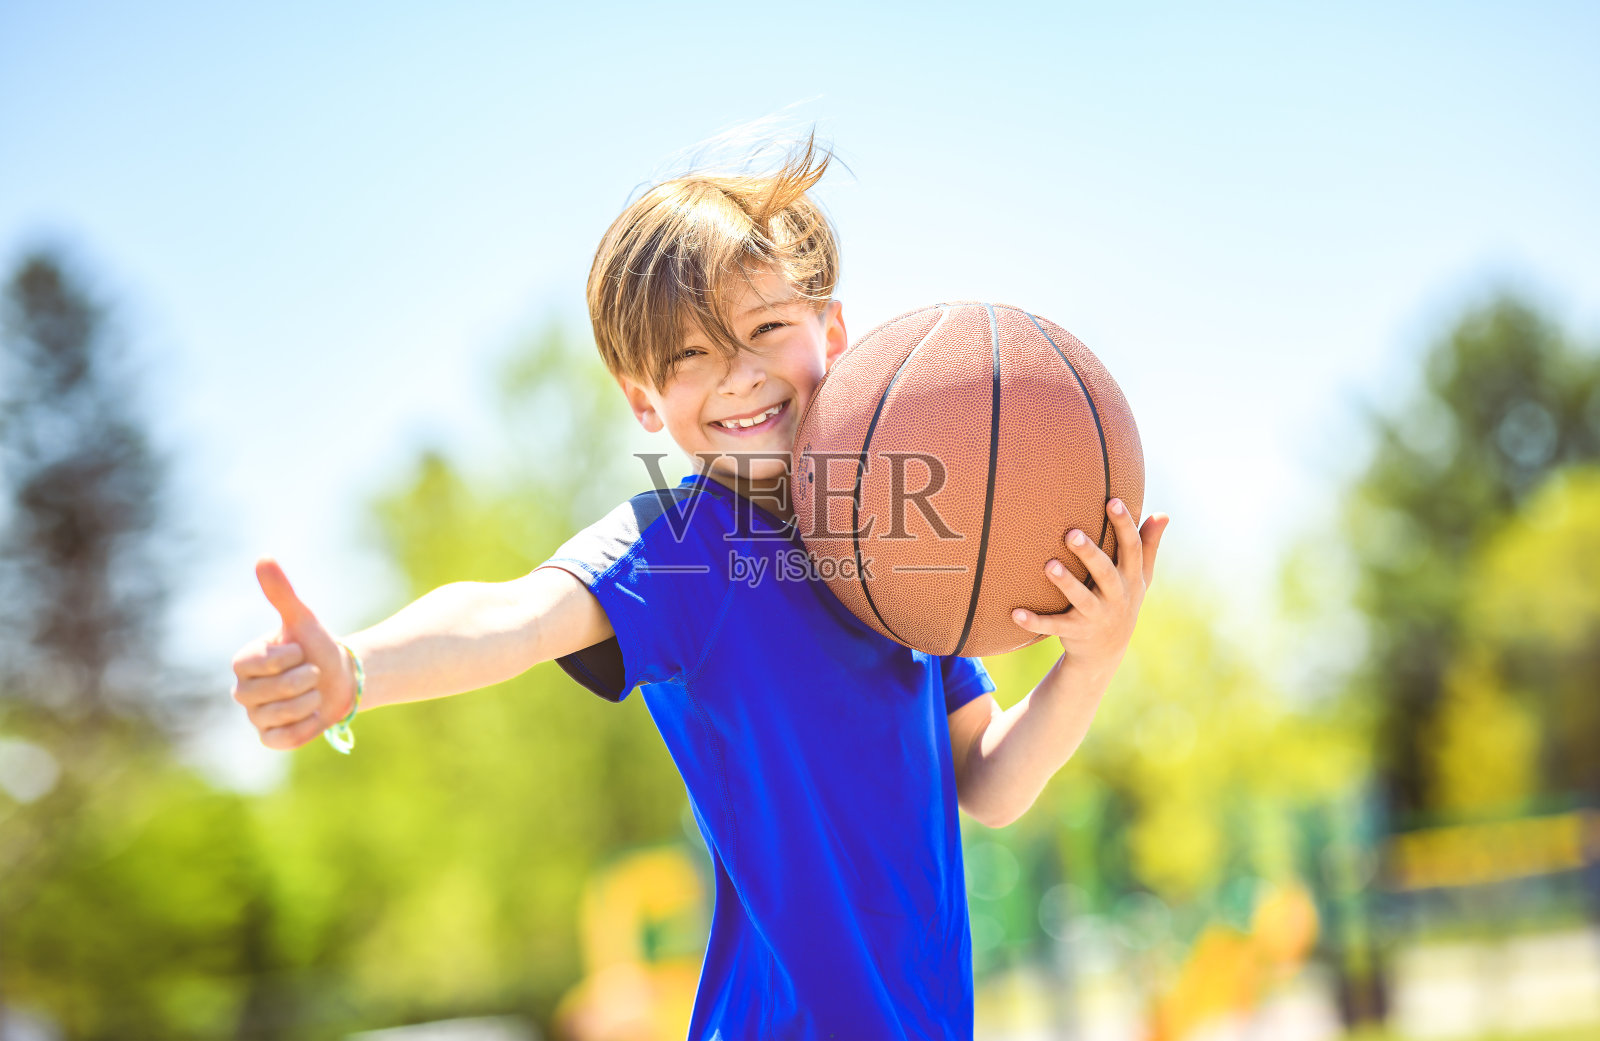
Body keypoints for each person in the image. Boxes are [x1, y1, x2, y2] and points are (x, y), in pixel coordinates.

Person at [229, 136, 1170, 1039]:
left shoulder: (895, 547)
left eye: (766, 328)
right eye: (690, 357)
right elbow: (515, 612)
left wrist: (1090, 659)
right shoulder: (686, 547)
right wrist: (356, 665)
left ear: (831, 331)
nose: (739, 375)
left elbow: (991, 782)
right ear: (646, 402)